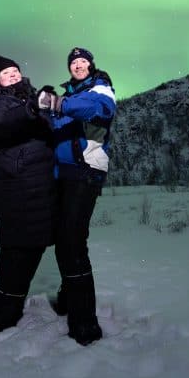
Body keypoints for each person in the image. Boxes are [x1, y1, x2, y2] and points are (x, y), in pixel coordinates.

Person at [38, 46, 116, 346]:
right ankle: (69, 298)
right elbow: (55, 130)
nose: (79, 66)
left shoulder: (101, 88)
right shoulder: (70, 96)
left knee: (72, 243)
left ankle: (85, 324)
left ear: (91, 65)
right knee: (64, 240)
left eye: (83, 62)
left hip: (86, 172)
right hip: (63, 175)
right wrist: (44, 111)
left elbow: (99, 110)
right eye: (74, 63)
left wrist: (58, 102)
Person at [0, 54, 58, 332]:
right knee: (17, 249)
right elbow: (3, 122)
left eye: (15, 70)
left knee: (36, 244)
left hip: (40, 183)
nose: (12, 75)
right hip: (17, 183)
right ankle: (3, 317)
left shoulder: (28, 98)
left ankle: (14, 310)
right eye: (6, 73)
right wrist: (32, 108)